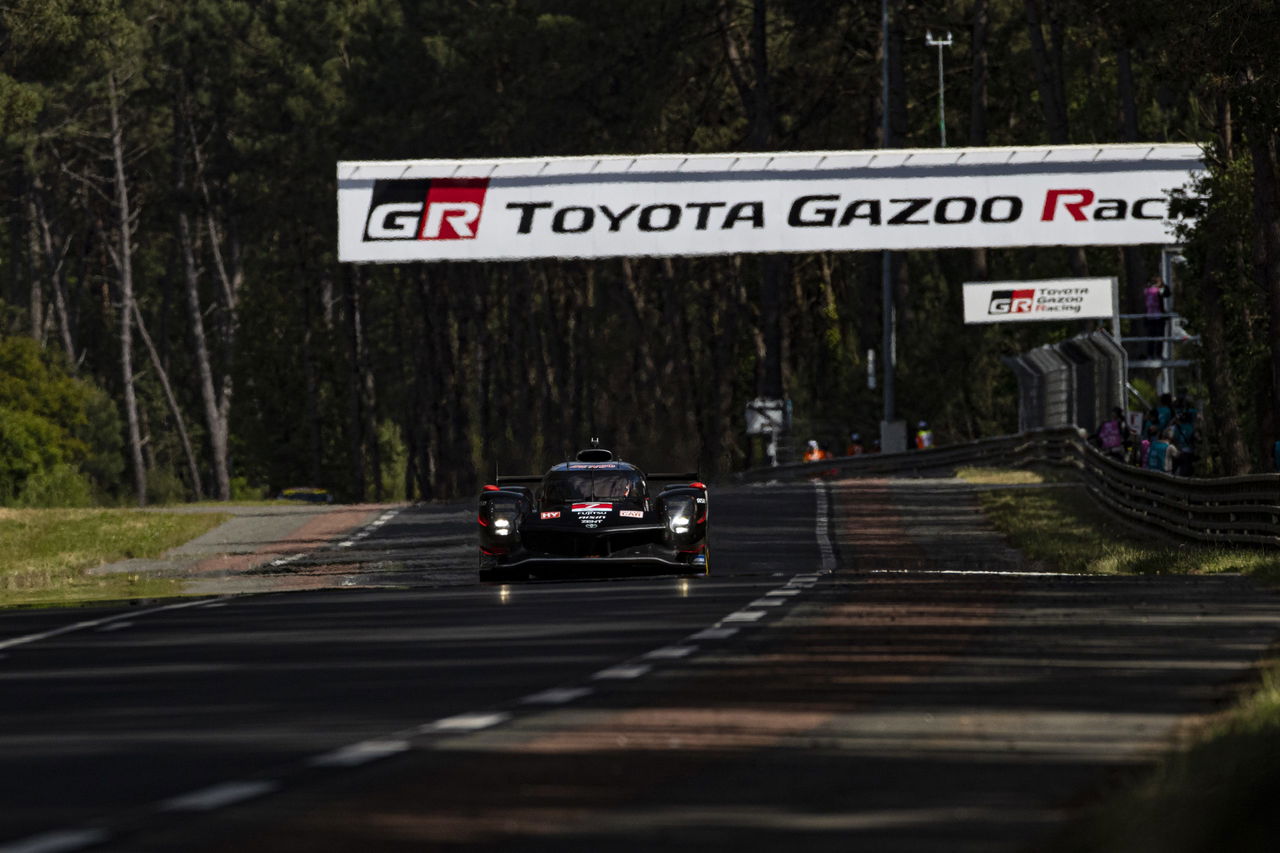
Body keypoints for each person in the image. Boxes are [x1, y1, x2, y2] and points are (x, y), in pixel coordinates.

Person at [1143, 275, 1170, 358]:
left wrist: (1162, 286)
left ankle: (1154, 355)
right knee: (1155, 337)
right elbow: (1167, 293)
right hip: (1153, 317)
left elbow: (1167, 294)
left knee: (1155, 337)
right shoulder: (1153, 290)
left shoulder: (1147, 290)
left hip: (1154, 316)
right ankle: (1154, 355)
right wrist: (1162, 285)